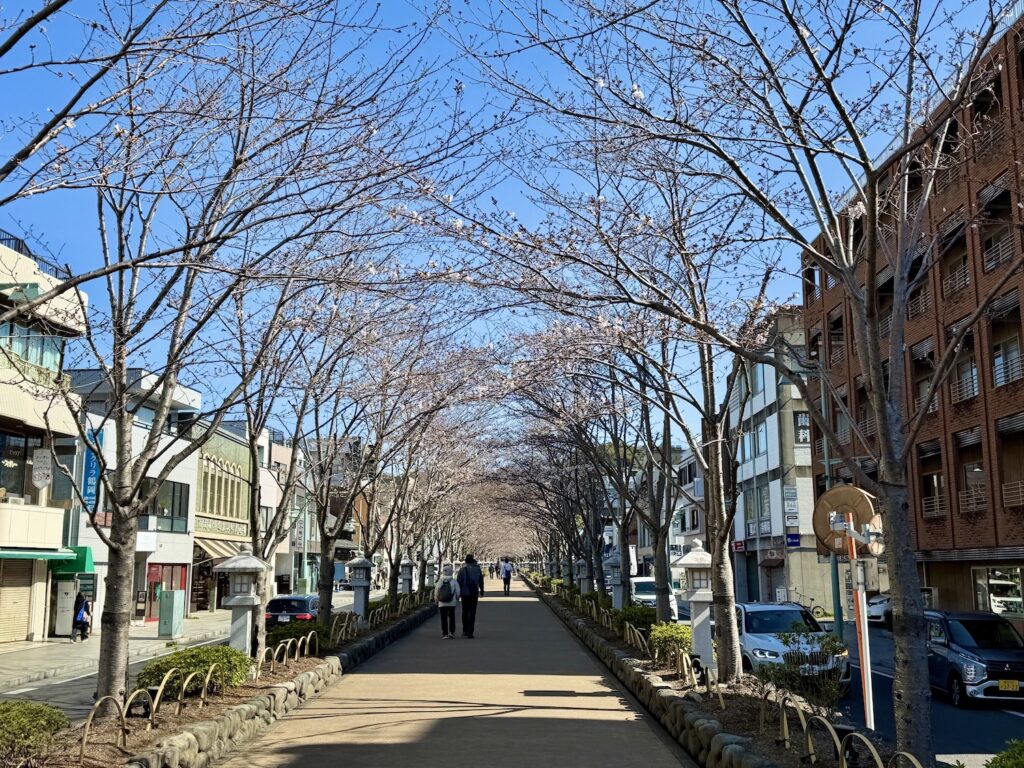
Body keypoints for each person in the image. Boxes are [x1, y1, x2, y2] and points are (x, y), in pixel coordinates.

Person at [456, 553, 484, 638]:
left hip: (464, 593)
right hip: (474, 592)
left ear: (466, 561)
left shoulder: (462, 570)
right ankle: (470, 632)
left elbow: (458, 582)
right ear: (473, 560)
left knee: (465, 611)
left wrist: (458, 593)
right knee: (472, 612)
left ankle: (465, 630)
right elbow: (481, 581)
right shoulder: (478, 569)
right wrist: (482, 590)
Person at [434, 564, 460, 639]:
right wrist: (457, 598)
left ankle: (445, 634)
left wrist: (436, 599)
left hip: (442, 603)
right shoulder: (454, 581)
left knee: (443, 618)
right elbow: (458, 590)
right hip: (452, 602)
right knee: (452, 617)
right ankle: (451, 632)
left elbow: (436, 591)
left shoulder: (440, 581)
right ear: (451, 572)